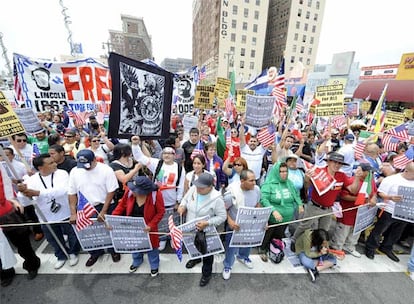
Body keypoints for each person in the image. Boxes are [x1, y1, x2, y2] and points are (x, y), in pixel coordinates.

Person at [17, 154, 80, 269]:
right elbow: (26, 202)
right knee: (53, 238)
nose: (55, 164)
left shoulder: (62, 174)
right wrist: (23, 192)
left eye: (53, 161)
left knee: (72, 234)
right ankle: (61, 256)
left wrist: (38, 193)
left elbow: (62, 190)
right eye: (50, 163)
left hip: (65, 213)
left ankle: (73, 252)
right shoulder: (31, 180)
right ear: (40, 167)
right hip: (45, 216)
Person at [290, 152, 363, 251]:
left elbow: (353, 190)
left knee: (324, 229)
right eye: (335, 162)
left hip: (328, 208)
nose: (337, 165)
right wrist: (307, 178)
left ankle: (317, 245)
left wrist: (357, 178)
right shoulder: (319, 172)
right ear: (328, 162)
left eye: (339, 163)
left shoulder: (342, 176)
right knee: (305, 225)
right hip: (314, 206)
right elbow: (307, 187)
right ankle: (294, 240)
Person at [68, 149, 121, 267]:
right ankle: (95, 252)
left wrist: (103, 211)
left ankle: (113, 251)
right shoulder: (75, 171)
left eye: (87, 164)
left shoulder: (106, 170)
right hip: (85, 206)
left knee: (109, 230)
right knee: (90, 232)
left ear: (94, 160)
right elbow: (71, 193)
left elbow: (111, 191)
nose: (85, 167)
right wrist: (73, 212)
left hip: (105, 204)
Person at [177, 173, 226, 287]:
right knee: (193, 246)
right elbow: (185, 199)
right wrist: (182, 206)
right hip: (191, 226)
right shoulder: (194, 188)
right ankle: (195, 259)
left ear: (210, 186)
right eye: (198, 186)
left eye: (202, 187)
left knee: (207, 253)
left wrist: (207, 223)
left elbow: (222, 217)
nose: (198, 189)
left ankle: (206, 274)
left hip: (206, 231)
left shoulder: (217, 198)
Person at [112, 176, 165, 277]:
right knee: (135, 245)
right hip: (133, 226)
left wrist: (151, 225)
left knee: (152, 247)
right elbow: (121, 206)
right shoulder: (130, 191)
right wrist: (113, 219)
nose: (133, 192)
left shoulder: (156, 195)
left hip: (148, 228)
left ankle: (154, 265)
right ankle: (137, 261)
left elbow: (160, 212)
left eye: (137, 191)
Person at [365, 162, 414, 262]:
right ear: (406, 171)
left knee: (397, 232)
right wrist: (390, 197)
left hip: (404, 212)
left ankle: (387, 247)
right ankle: (370, 247)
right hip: (389, 209)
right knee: (379, 230)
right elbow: (380, 193)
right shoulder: (392, 179)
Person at [0, 165, 40, 282]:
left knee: (21, 242)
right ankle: (5, 271)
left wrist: (12, 200)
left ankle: (32, 264)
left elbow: (4, 186)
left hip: (5, 212)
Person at [330, 163, 377, 258]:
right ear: (362, 172)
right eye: (369, 172)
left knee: (356, 231)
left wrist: (373, 199)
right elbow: (344, 196)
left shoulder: (370, 181)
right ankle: (336, 248)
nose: (372, 174)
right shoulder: (351, 181)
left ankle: (350, 246)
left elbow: (374, 192)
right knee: (343, 231)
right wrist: (359, 199)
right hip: (348, 211)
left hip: (361, 212)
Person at [259, 162, 304, 261]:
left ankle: (274, 247)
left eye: (285, 171)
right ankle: (263, 249)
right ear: (276, 172)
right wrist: (273, 211)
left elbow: (296, 195)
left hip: (286, 217)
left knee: (279, 235)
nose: (284, 174)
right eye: (281, 172)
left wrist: (299, 204)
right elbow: (264, 199)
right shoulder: (268, 184)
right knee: (268, 234)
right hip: (273, 217)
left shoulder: (289, 183)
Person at [222, 169, 261, 280]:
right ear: (242, 181)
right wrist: (230, 221)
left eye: (255, 180)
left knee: (248, 242)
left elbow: (257, 204)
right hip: (235, 226)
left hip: (250, 225)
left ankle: (243, 257)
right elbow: (222, 209)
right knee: (231, 246)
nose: (254, 183)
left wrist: (262, 219)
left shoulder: (257, 190)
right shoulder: (231, 195)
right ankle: (228, 265)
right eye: (251, 180)